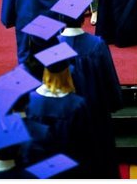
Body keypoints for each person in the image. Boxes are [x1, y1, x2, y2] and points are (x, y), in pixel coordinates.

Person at [49, 0, 123, 178]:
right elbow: (109, 81)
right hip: (95, 114)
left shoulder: (53, 47)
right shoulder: (97, 45)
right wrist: (114, 102)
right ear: (83, 17)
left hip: (64, 119)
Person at [25, 42, 96, 178]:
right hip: (70, 163)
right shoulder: (77, 104)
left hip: (40, 164)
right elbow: (85, 141)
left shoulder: (32, 100)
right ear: (67, 72)